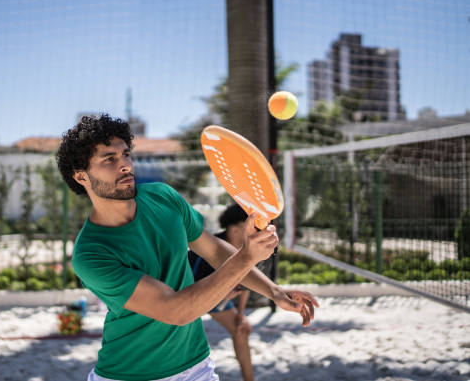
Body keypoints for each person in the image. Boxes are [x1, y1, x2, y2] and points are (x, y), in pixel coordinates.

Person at [56, 114, 319, 381]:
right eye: (109, 159)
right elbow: (176, 310)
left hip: (196, 366)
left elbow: (214, 250)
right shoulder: (90, 254)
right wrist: (246, 257)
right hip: (129, 374)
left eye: (126, 155)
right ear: (81, 177)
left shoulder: (163, 196)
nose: (124, 165)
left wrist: (274, 291)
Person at [188, 204, 258, 381]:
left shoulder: (248, 248)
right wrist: (223, 295)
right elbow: (195, 294)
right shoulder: (210, 248)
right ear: (235, 230)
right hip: (186, 296)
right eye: (252, 226)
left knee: (242, 330)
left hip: (218, 298)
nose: (257, 230)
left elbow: (246, 285)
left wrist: (241, 315)